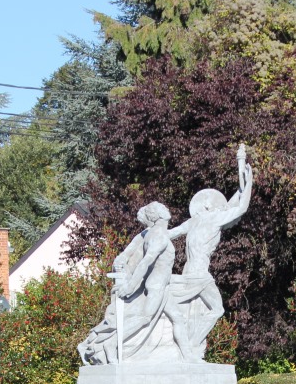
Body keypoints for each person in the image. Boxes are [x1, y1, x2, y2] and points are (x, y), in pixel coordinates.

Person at [165, 153, 253, 361]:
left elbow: (168, 233)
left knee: (192, 312)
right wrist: (249, 183)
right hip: (200, 275)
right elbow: (240, 206)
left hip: (188, 272)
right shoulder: (213, 220)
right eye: (214, 202)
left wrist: (240, 165)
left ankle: (190, 349)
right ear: (208, 206)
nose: (218, 205)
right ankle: (193, 345)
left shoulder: (193, 221)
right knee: (217, 309)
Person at [78, 202, 175, 365]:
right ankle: (112, 344)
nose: (167, 209)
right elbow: (145, 262)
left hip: (164, 285)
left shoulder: (155, 233)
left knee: (178, 317)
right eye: (162, 208)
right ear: (158, 215)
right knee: (145, 318)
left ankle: (189, 354)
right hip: (157, 285)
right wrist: (129, 287)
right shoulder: (158, 236)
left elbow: (183, 229)